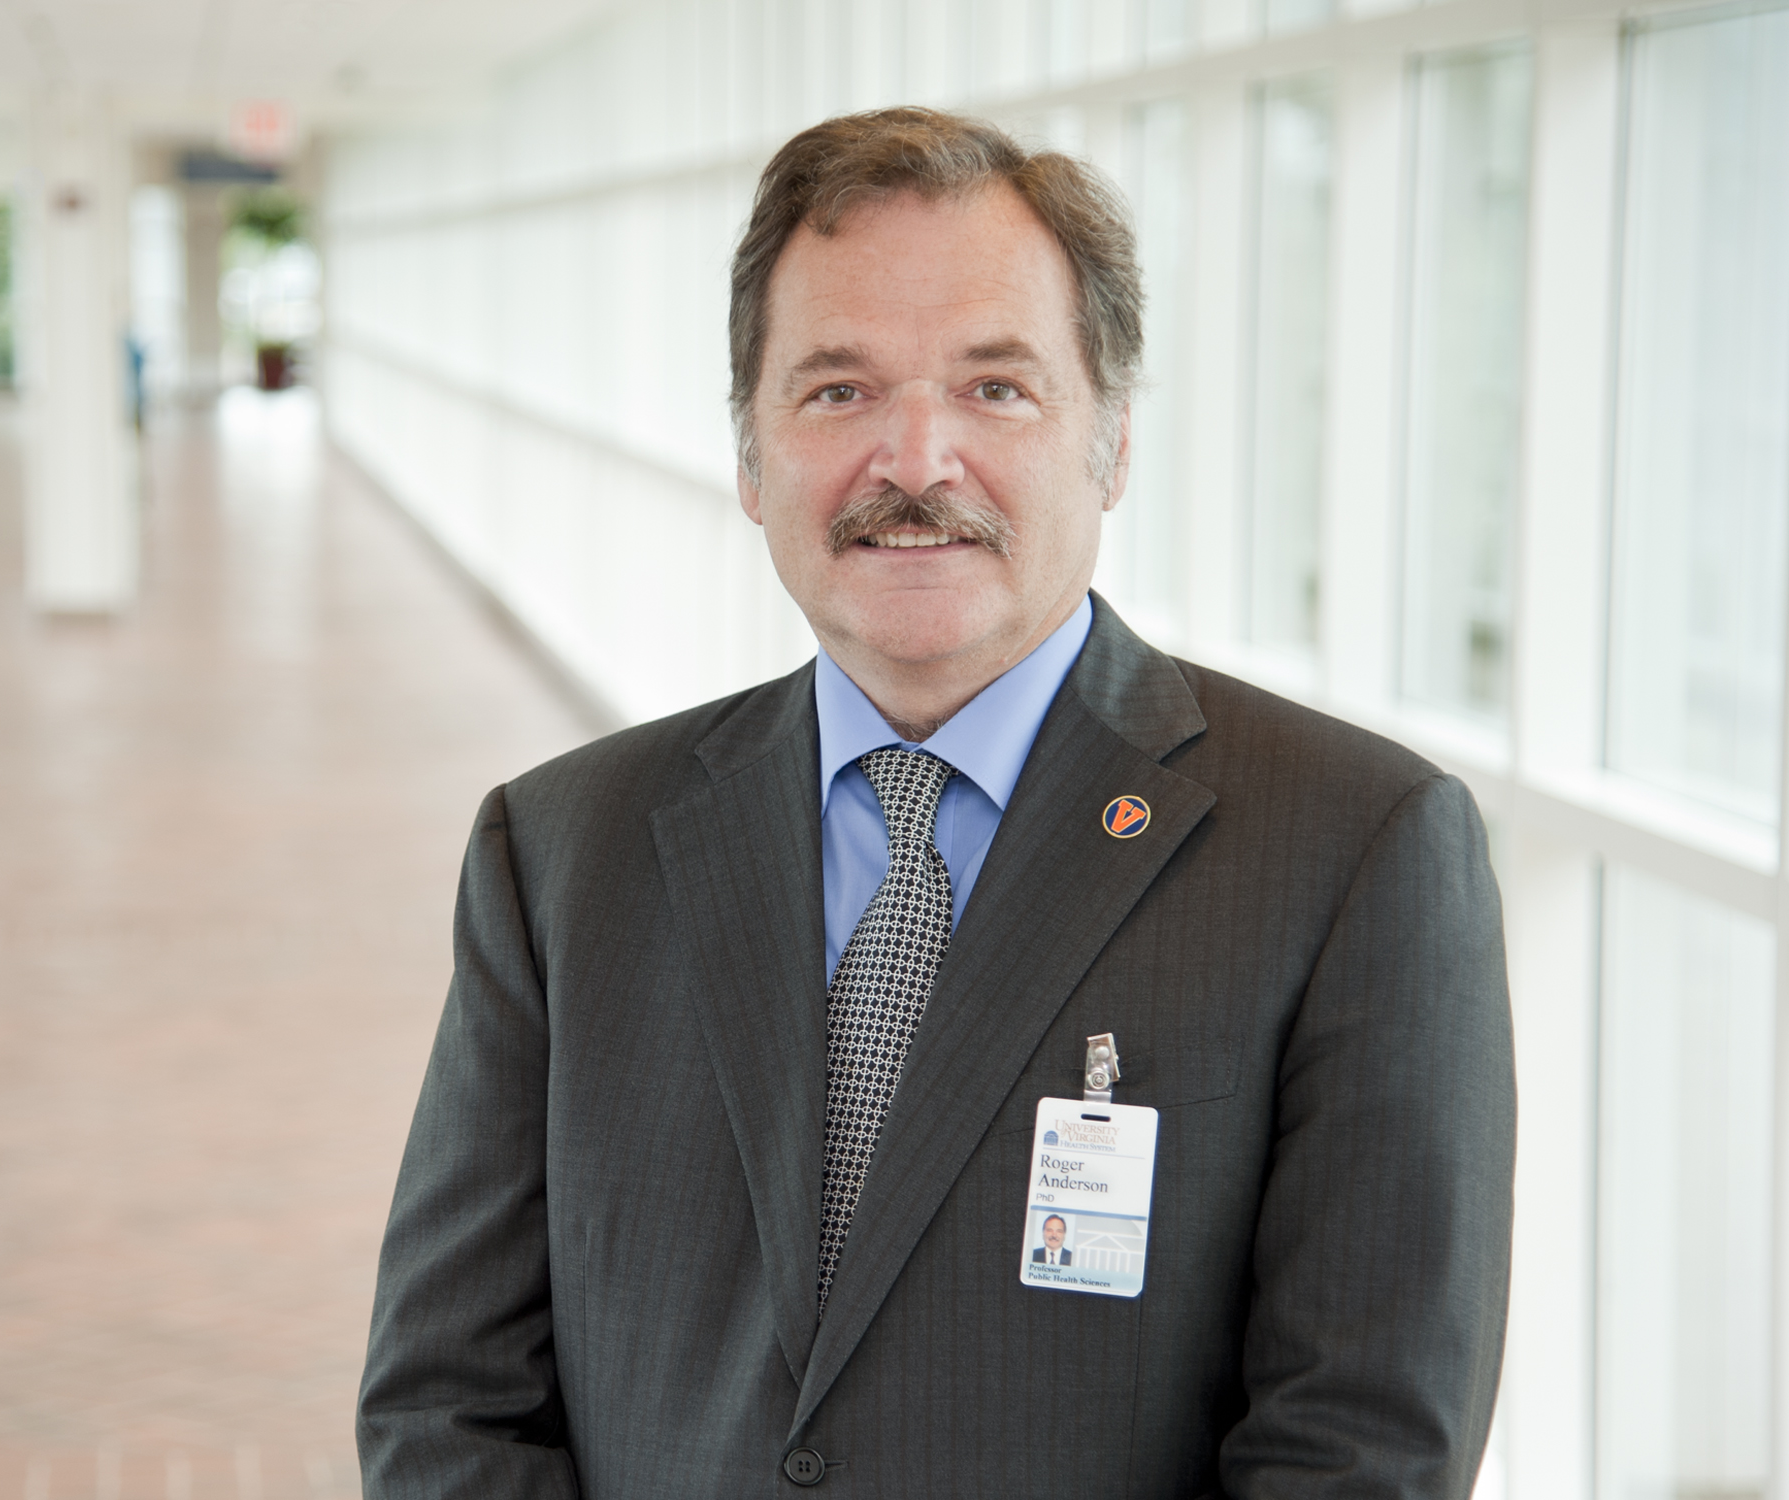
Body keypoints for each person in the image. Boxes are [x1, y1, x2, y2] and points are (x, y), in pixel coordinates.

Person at [358, 107, 1514, 1498]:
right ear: (749, 454)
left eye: (996, 389)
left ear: (1113, 445)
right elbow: (446, 1405)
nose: (914, 464)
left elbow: (1361, 1450)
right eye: (837, 390)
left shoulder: (1353, 853)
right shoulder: (559, 852)